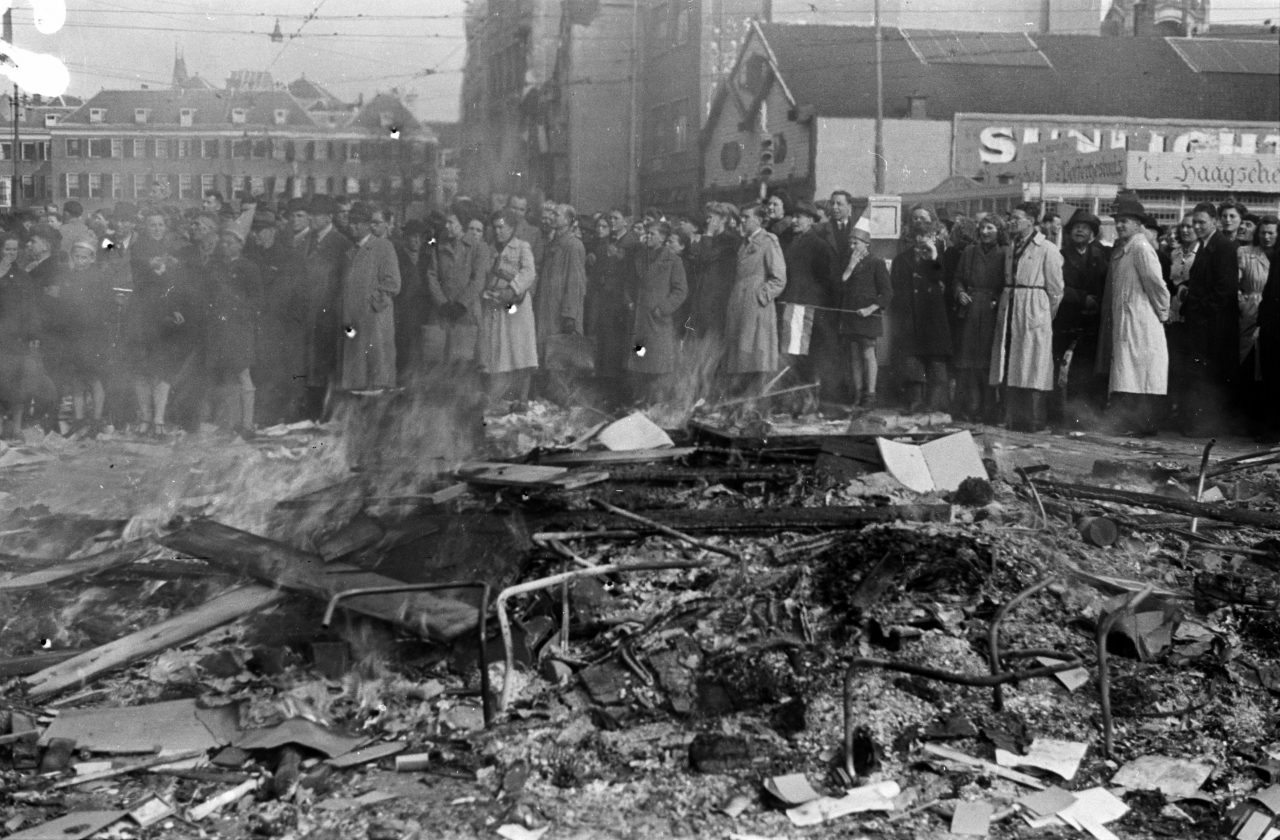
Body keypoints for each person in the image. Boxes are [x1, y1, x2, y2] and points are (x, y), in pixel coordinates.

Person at [1096, 196, 1169, 436]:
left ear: (1138, 223)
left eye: (1125, 221)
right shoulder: (1123, 249)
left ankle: (1144, 425)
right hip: (1126, 318)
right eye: (1117, 221)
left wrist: (1162, 313)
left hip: (1142, 317)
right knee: (1128, 371)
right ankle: (1129, 423)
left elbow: (1156, 284)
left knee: (1141, 371)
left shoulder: (1141, 248)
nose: (1119, 226)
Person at [989, 202, 1064, 432]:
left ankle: (1033, 420)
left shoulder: (1047, 248)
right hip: (1011, 304)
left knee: (1033, 364)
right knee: (1012, 361)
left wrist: (1042, 314)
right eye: (1011, 217)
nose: (1012, 222)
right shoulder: (1012, 246)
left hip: (1034, 308)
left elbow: (1056, 289)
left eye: (1018, 218)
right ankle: (1012, 418)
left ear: (1031, 221)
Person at [124, 210, 190, 438]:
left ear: (166, 227)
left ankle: (159, 418)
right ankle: (145, 417)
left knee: (162, 367)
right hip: (143, 313)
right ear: (146, 227)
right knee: (141, 368)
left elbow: (177, 284)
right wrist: (157, 267)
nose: (157, 228)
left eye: (160, 224)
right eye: (152, 224)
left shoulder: (173, 250)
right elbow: (141, 276)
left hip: (164, 314)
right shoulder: (138, 248)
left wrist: (176, 308)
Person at [45, 239, 114, 434]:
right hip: (72, 334)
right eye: (77, 257)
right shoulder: (68, 276)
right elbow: (63, 303)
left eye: (84, 257)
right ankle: (79, 417)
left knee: (93, 377)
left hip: (92, 334)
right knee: (76, 378)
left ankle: (97, 419)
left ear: (92, 259)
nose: (80, 261)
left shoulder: (99, 277)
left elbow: (106, 306)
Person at [1182, 201, 1239, 435]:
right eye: (1194, 221)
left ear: (1214, 222)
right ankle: (1201, 423)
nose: (1196, 226)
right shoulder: (1205, 246)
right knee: (1202, 374)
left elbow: (1224, 289)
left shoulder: (1223, 247)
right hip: (1204, 323)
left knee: (1211, 375)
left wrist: (1198, 309)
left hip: (1215, 325)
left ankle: (1210, 426)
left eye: (1201, 222)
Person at [247, 210, 307, 426]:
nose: (256, 235)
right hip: (260, 326)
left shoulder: (289, 257)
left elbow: (298, 295)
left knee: (284, 373)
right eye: (254, 231)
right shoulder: (251, 256)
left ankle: (285, 418)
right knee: (261, 373)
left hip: (283, 327)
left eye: (261, 231)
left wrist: (289, 324)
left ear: (272, 231)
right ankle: (264, 419)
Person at [201, 224, 261, 436]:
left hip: (239, 328)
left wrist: (238, 312)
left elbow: (255, 301)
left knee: (243, 372)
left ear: (241, 245)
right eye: (223, 243)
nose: (225, 247)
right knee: (227, 375)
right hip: (219, 328)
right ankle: (232, 421)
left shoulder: (249, 268)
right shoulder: (216, 268)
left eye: (230, 243)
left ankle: (247, 424)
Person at [723, 203, 787, 402]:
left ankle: (756, 404)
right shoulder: (744, 244)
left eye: (746, 217)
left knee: (756, 357)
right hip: (739, 306)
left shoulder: (769, 241)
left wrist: (761, 296)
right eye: (741, 217)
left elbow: (779, 278)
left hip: (757, 308)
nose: (742, 220)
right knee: (740, 357)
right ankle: (741, 404)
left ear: (759, 219)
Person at [777, 200, 835, 412]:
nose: (794, 221)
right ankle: (797, 402)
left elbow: (827, 279)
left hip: (808, 309)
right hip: (793, 305)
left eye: (799, 217)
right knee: (793, 356)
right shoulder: (792, 243)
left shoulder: (819, 246)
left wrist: (815, 301)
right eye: (793, 217)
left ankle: (811, 403)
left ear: (810, 220)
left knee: (807, 357)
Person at [1053, 208, 1110, 421]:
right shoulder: (1060, 256)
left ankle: (1086, 414)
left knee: (1086, 368)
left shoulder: (1102, 257)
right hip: (1067, 317)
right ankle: (1061, 413)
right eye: (1076, 227)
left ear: (1093, 234)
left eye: (1084, 228)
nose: (1079, 231)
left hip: (1092, 321)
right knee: (1061, 369)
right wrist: (1081, 297)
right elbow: (1056, 286)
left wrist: (1097, 302)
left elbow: (1107, 283)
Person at [337, 203, 400, 391]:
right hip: (353, 323)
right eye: (351, 222)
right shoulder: (350, 252)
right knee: (357, 377)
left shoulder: (383, 247)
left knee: (377, 372)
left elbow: (392, 283)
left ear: (368, 225)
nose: (352, 227)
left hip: (375, 323)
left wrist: (370, 305)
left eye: (357, 223)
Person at [890, 226, 953, 413]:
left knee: (936, 361)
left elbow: (941, 278)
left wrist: (933, 258)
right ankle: (914, 402)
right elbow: (896, 287)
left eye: (927, 235)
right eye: (919, 235)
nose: (922, 239)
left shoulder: (940, 256)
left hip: (933, 317)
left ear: (934, 237)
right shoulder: (902, 259)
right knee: (912, 361)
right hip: (910, 316)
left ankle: (937, 405)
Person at [479, 208, 538, 406]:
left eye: (502, 227)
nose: (498, 232)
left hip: (516, 307)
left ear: (511, 228)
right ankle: (501, 398)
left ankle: (522, 399)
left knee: (521, 350)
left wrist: (512, 289)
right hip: (495, 306)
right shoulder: (489, 249)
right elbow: (484, 275)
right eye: (494, 228)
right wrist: (486, 292)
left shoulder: (522, 247)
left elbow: (529, 273)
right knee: (498, 352)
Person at [625, 219, 687, 404]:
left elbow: (681, 290)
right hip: (639, 322)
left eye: (652, 234)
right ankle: (639, 402)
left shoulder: (673, 260)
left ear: (662, 237)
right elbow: (629, 283)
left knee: (657, 365)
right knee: (639, 360)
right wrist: (628, 301)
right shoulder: (640, 257)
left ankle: (656, 404)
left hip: (658, 323)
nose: (647, 237)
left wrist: (663, 309)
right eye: (647, 233)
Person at [952, 214, 1007, 422]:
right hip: (971, 310)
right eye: (982, 228)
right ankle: (967, 408)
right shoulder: (969, 252)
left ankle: (988, 410)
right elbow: (957, 278)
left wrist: (997, 298)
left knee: (987, 361)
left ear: (999, 231)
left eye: (990, 228)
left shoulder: (1004, 253)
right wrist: (960, 293)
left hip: (992, 312)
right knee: (967, 361)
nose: (985, 232)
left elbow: (1007, 283)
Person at [300, 195, 350, 418]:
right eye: (309, 213)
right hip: (307, 316)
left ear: (329, 217)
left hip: (328, 318)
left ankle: (326, 416)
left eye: (315, 214)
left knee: (326, 369)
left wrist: (334, 314)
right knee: (309, 369)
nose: (310, 218)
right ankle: (311, 416)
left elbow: (344, 284)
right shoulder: (306, 241)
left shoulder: (341, 244)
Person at [837, 218, 890, 410]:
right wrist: (850, 266)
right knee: (854, 355)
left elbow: (887, 293)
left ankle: (870, 394)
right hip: (851, 316)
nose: (852, 246)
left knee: (868, 354)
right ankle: (858, 393)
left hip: (868, 317)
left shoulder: (876, 263)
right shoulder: (848, 262)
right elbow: (840, 286)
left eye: (856, 243)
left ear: (866, 244)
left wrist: (871, 309)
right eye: (850, 243)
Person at [425, 209, 486, 373]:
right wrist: (442, 303)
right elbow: (432, 275)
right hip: (441, 311)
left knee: (463, 360)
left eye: (451, 222)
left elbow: (478, 279)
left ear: (462, 225)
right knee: (437, 359)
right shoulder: (439, 245)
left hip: (466, 312)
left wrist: (461, 304)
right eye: (446, 222)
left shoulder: (477, 247)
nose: (447, 226)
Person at [1237, 215, 1275, 427]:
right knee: (1248, 365)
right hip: (1250, 313)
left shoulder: (1277, 256)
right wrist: (1243, 304)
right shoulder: (1246, 253)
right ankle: (1247, 419)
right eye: (1263, 232)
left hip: (1272, 316)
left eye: (1271, 233)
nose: (1267, 237)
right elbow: (1236, 284)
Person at [1165, 214, 1198, 426]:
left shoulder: (1201, 252)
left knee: (1189, 368)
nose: (1186, 230)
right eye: (1183, 227)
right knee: (1174, 365)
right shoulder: (1175, 253)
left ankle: (1188, 413)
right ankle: (1173, 413)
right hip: (1175, 313)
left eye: (1190, 226)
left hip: (1192, 313)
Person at [393, 218, 435, 380]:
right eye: (413, 236)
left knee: (421, 354)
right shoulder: (398, 257)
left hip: (422, 314)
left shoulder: (426, 260)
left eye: (420, 237)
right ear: (406, 237)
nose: (417, 240)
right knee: (403, 354)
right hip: (402, 314)